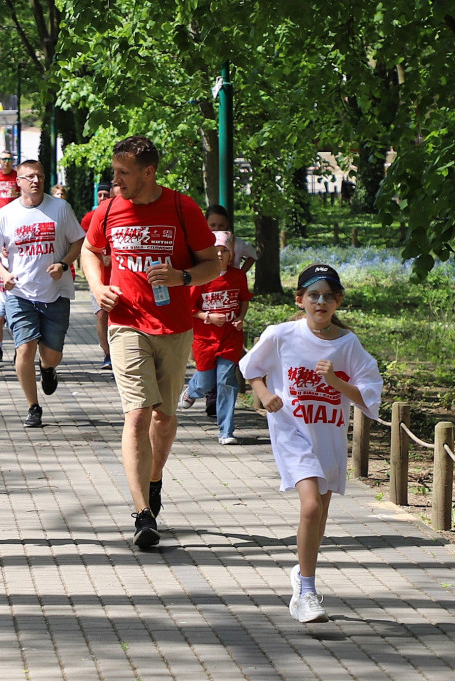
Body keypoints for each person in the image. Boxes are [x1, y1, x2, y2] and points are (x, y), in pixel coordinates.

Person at [81, 135, 220, 549]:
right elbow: (89, 251)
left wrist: (183, 277)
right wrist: (97, 287)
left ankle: (154, 477)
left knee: (163, 417)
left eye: (124, 173)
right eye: (115, 172)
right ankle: (142, 512)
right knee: (138, 415)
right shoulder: (109, 209)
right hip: (126, 323)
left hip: (174, 327)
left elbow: (212, 264)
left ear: (149, 172)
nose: (116, 180)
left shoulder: (182, 207)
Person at [240, 263, 382, 623]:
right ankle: (306, 591)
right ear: (299, 299)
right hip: (291, 432)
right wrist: (265, 395)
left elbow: (369, 396)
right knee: (311, 507)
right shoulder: (281, 335)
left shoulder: (348, 344)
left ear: (338, 301)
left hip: (328, 435)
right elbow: (250, 367)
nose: (321, 302)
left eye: (328, 296)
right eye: (314, 295)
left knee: (319, 515)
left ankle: (302, 571)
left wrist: (336, 382)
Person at [0, 159, 84, 428]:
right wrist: (4, 274)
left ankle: (48, 369)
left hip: (55, 292)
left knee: (52, 356)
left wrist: (63, 264)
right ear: (18, 182)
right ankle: (33, 407)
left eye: (39, 176)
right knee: (24, 349)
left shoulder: (60, 208)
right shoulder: (5, 214)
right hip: (20, 293)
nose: (35, 181)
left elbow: (78, 241)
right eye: (29, 177)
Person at [177, 231, 252, 445]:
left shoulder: (238, 276)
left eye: (224, 251)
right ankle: (193, 390)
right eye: (216, 251)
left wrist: (240, 318)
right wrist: (208, 317)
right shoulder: (201, 277)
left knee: (226, 380)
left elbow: (244, 299)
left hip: (230, 337)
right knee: (206, 382)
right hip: (205, 339)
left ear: (231, 255)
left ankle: (226, 431)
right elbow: (189, 307)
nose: (220, 255)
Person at [80, 182, 116, 370]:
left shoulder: (119, 214)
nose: (102, 198)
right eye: (100, 195)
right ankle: (108, 354)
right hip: (99, 278)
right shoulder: (90, 218)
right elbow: (84, 244)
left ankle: (120, 355)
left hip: (118, 277)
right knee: (102, 314)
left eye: (106, 195)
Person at [205, 205, 256, 274]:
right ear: (205, 223)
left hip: (231, 280)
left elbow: (253, 254)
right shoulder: (201, 242)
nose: (217, 229)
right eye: (213, 225)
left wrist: (241, 273)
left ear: (227, 223)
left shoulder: (236, 243)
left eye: (221, 225)